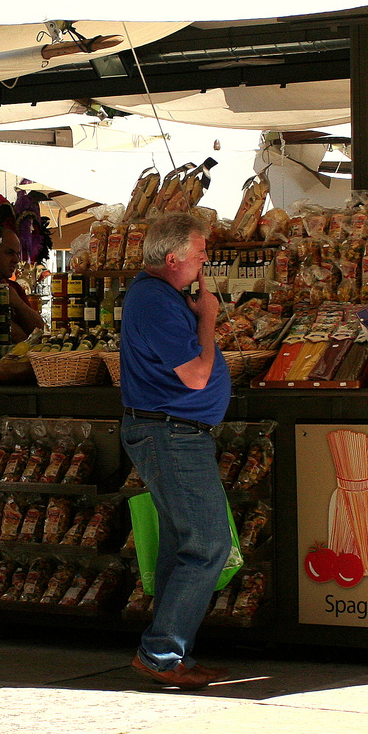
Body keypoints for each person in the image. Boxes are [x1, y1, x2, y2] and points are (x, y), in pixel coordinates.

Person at [117, 211, 233, 689]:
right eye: (201, 252)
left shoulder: (158, 297)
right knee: (208, 544)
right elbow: (196, 375)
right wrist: (206, 318)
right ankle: (162, 653)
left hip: (172, 431)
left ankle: (169, 653)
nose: (206, 259)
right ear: (173, 259)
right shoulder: (155, 301)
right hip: (172, 433)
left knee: (181, 546)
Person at [0, 198, 51, 342]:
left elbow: (39, 329)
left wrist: (17, 303)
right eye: (9, 252)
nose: (16, 260)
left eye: (17, 254)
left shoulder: (13, 287)